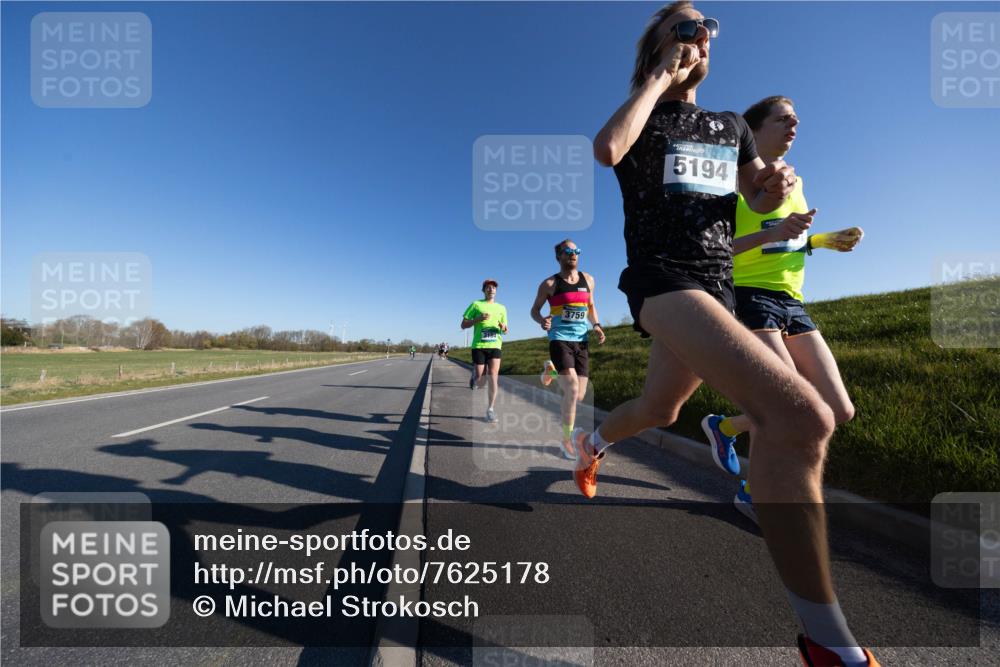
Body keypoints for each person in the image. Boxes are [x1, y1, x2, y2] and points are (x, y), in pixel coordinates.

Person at [575, 4, 879, 665]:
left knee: (662, 408)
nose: (699, 34)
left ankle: (591, 441)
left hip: (718, 288)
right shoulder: (646, 109)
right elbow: (607, 150)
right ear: (657, 44)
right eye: (683, 25)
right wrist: (659, 79)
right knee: (801, 415)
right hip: (662, 280)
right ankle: (829, 643)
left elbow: (753, 199)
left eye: (706, 26)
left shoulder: (729, 125)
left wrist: (772, 188)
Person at [700, 96, 864, 523]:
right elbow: (713, 250)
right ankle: (755, 493)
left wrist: (824, 240)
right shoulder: (727, 181)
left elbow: (784, 236)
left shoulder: (794, 181)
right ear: (753, 131)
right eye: (784, 118)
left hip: (792, 299)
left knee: (838, 408)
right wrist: (769, 236)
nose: (794, 125)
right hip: (749, 294)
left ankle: (726, 427)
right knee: (787, 402)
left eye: (797, 120)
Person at [530, 239, 606, 459]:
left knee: (579, 395)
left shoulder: (589, 280)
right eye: (568, 251)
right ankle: (567, 439)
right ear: (558, 256)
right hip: (559, 339)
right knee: (572, 390)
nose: (573, 254)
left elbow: (591, 306)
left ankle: (551, 371)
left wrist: (597, 325)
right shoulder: (549, 284)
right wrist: (541, 320)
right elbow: (534, 310)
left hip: (581, 341)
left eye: (576, 251)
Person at [461, 279, 508, 422]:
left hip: (495, 345)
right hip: (479, 346)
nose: (491, 290)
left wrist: (504, 328)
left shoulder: (502, 308)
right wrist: (478, 319)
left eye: (494, 288)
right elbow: (463, 325)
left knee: (494, 376)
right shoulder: (476, 304)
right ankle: (475, 376)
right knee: (480, 378)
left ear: (496, 291)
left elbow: (505, 329)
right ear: (483, 290)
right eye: (488, 287)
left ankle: (490, 409)